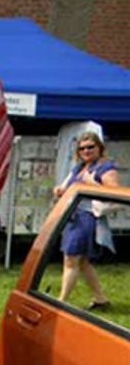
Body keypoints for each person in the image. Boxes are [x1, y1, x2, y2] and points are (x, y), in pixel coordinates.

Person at [52, 131, 119, 309]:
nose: (86, 151)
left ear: (99, 148)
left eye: (91, 147)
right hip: (72, 217)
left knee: (71, 259)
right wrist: (60, 190)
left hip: (87, 217)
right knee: (82, 262)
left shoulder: (106, 168)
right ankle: (100, 299)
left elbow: (115, 193)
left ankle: (61, 302)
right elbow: (68, 187)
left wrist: (92, 184)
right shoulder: (78, 167)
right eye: (82, 148)